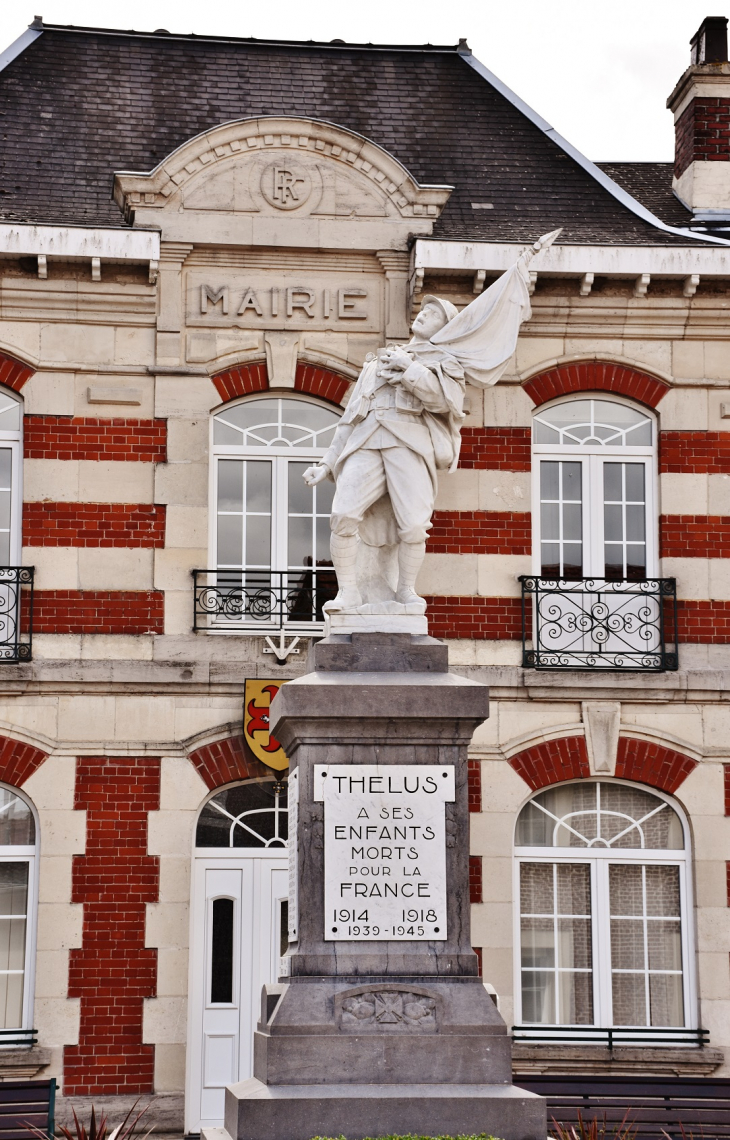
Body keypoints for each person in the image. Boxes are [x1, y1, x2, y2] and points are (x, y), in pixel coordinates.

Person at [303, 229, 561, 615]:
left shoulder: (446, 363)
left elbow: (445, 403)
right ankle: (349, 593)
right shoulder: (375, 361)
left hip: (409, 443)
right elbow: (349, 418)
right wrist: (326, 461)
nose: (423, 314)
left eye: (434, 314)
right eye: (423, 310)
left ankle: (405, 591)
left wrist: (410, 370)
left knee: (412, 525)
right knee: (342, 515)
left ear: (446, 329)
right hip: (368, 439)